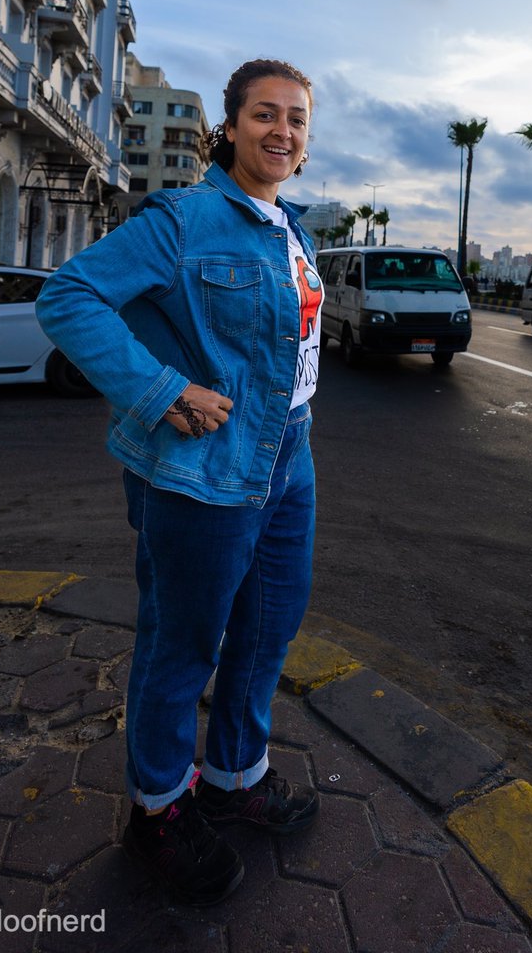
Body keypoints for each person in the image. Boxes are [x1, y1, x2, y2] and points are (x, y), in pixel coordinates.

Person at [36, 58, 324, 907]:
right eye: (265, 115)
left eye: (298, 119)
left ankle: (236, 775)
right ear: (230, 127)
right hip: (202, 474)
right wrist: (163, 391)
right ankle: (160, 806)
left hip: (290, 460)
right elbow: (71, 295)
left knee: (268, 628)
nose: (283, 131)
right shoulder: (186, 218)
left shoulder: (288, 228)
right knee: (183, 643)